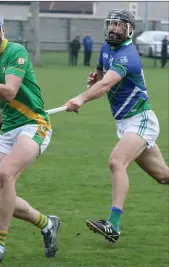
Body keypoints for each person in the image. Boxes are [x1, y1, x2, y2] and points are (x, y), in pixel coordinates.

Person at [64, 9, 169, 243]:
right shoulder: (105, 49)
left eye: (119, 25)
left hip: (141, 119)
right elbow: (103, 78)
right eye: (110, 24)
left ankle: (113, 225)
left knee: (116, 162)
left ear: (129, 30)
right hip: (125, 123)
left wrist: (81, 98)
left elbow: (107, 84)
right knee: (163, 176)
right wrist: (96, 79)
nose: (113, 28)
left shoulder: (128, 55)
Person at [0, 10, 61, 264]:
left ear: (2, 30)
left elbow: (9, 92)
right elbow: (1, 104)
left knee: (6, 174)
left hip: (35, 125)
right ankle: (47, 223)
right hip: (9, 129)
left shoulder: (16, 52)